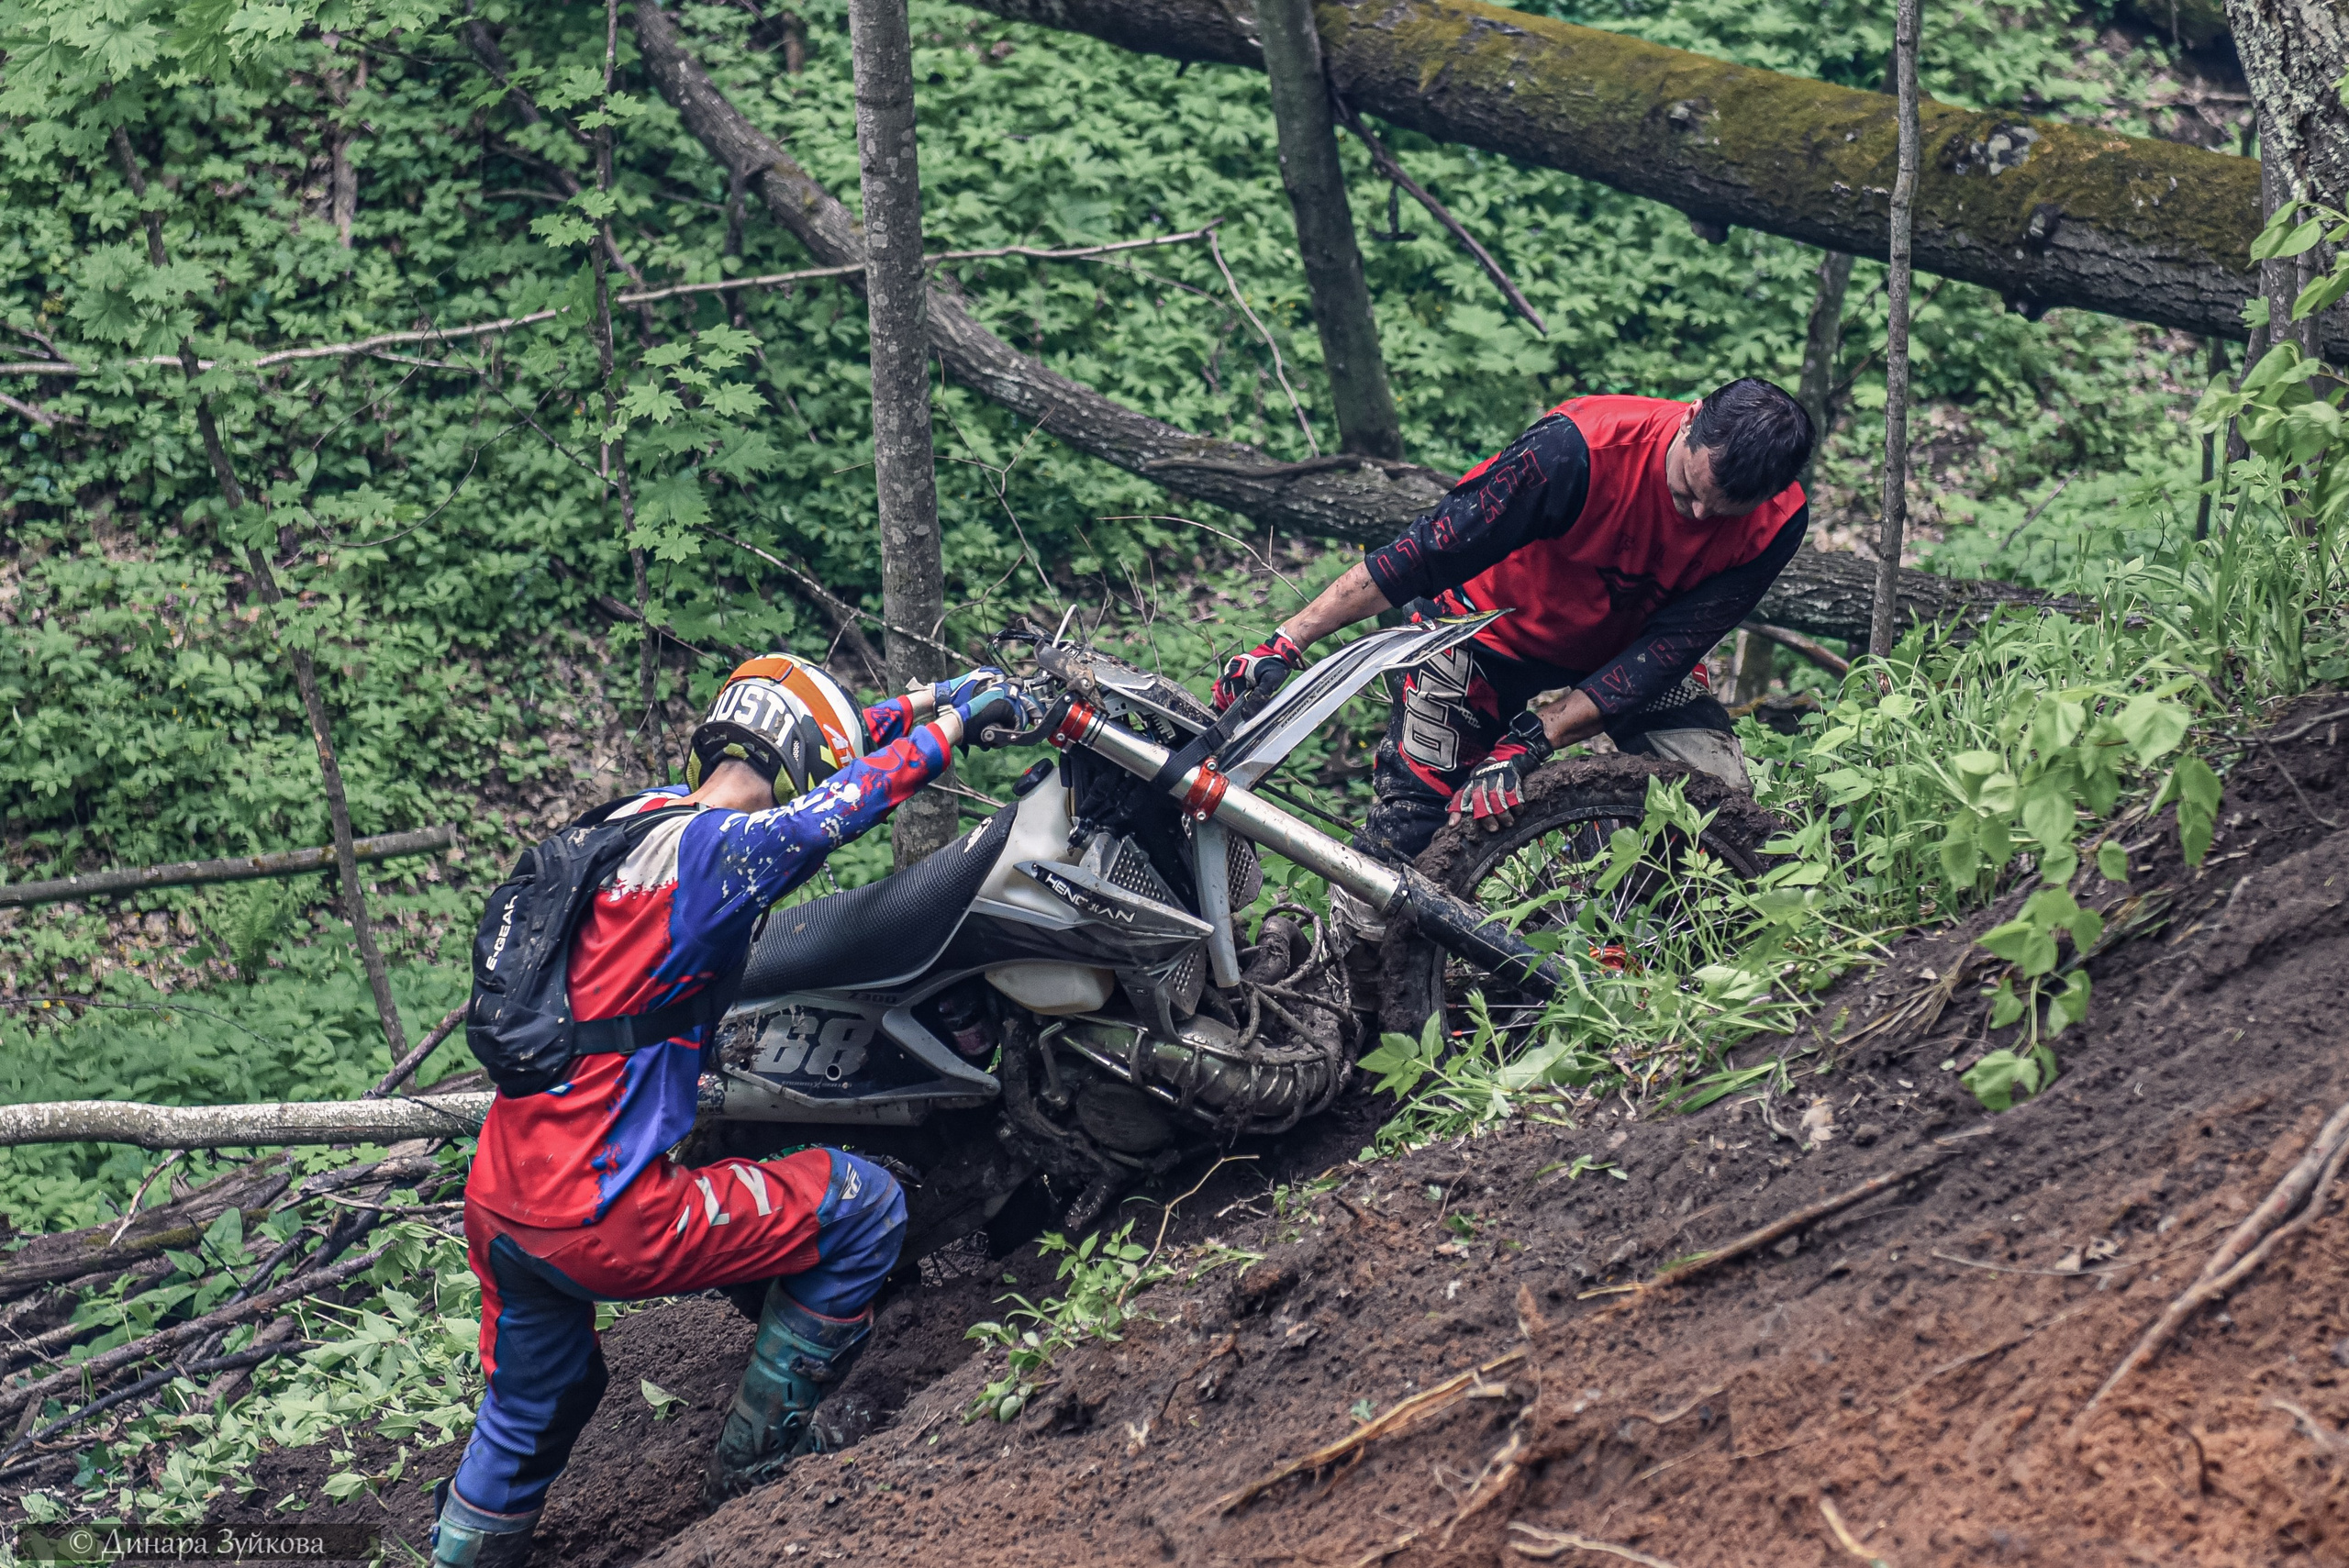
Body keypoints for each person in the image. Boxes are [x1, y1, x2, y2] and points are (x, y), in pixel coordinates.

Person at [430, 654, 1027, 1566]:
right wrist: (953, 730)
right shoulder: (717, 857)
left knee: (529, 1404)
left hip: (503, 1202)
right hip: (608, 1214)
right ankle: (758, 1462)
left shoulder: (641, 818)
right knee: (862, 1203)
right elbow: (841, 803)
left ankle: (460, 1553)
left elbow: (830, 751)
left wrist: (933, 698)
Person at [1213, 379, 1812, 921]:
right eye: (1687, 492)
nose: (1700, 516)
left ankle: (1588, 932)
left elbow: (1672, 648)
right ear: (1691, 418)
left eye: (1721, 513)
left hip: (1625, 654)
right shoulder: (1577, 451)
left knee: (1711, 798)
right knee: (1414, 823)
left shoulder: (1776, 523)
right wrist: (1290, 638)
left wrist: (1535, 738)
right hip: (1481, 632)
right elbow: (1424, 553)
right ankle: (1346, 958)